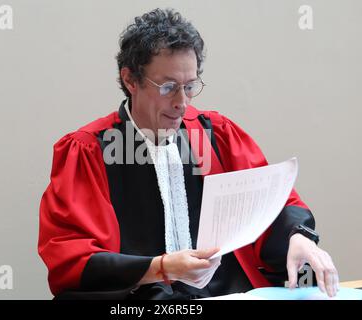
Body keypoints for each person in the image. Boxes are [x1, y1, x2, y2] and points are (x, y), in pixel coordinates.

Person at [38, 8, 339, 300]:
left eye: (190, 86)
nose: (182, 102)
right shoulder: (88, 151)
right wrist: (162, 268)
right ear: (130, 80)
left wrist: (296, 237)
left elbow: (268, 201)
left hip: (228, 290)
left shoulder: (216, 133)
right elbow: (71, 258)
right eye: (168, 86)